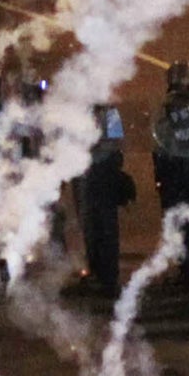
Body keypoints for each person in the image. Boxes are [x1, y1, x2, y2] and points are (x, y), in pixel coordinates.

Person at [150, 62, 189, 288]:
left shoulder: (166, 108)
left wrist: (159, 173)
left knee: (174, 221)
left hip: (172, 171)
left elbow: (158, 141)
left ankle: (184, 270)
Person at [73, 104, 134, 297]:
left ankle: (108, 278)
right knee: (90, 226)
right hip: (85, 172)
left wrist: (93, 150)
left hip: (101, 173)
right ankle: (97, 271)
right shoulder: (78, 110)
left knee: (105, 227)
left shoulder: (109, 112)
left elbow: (116, 142)